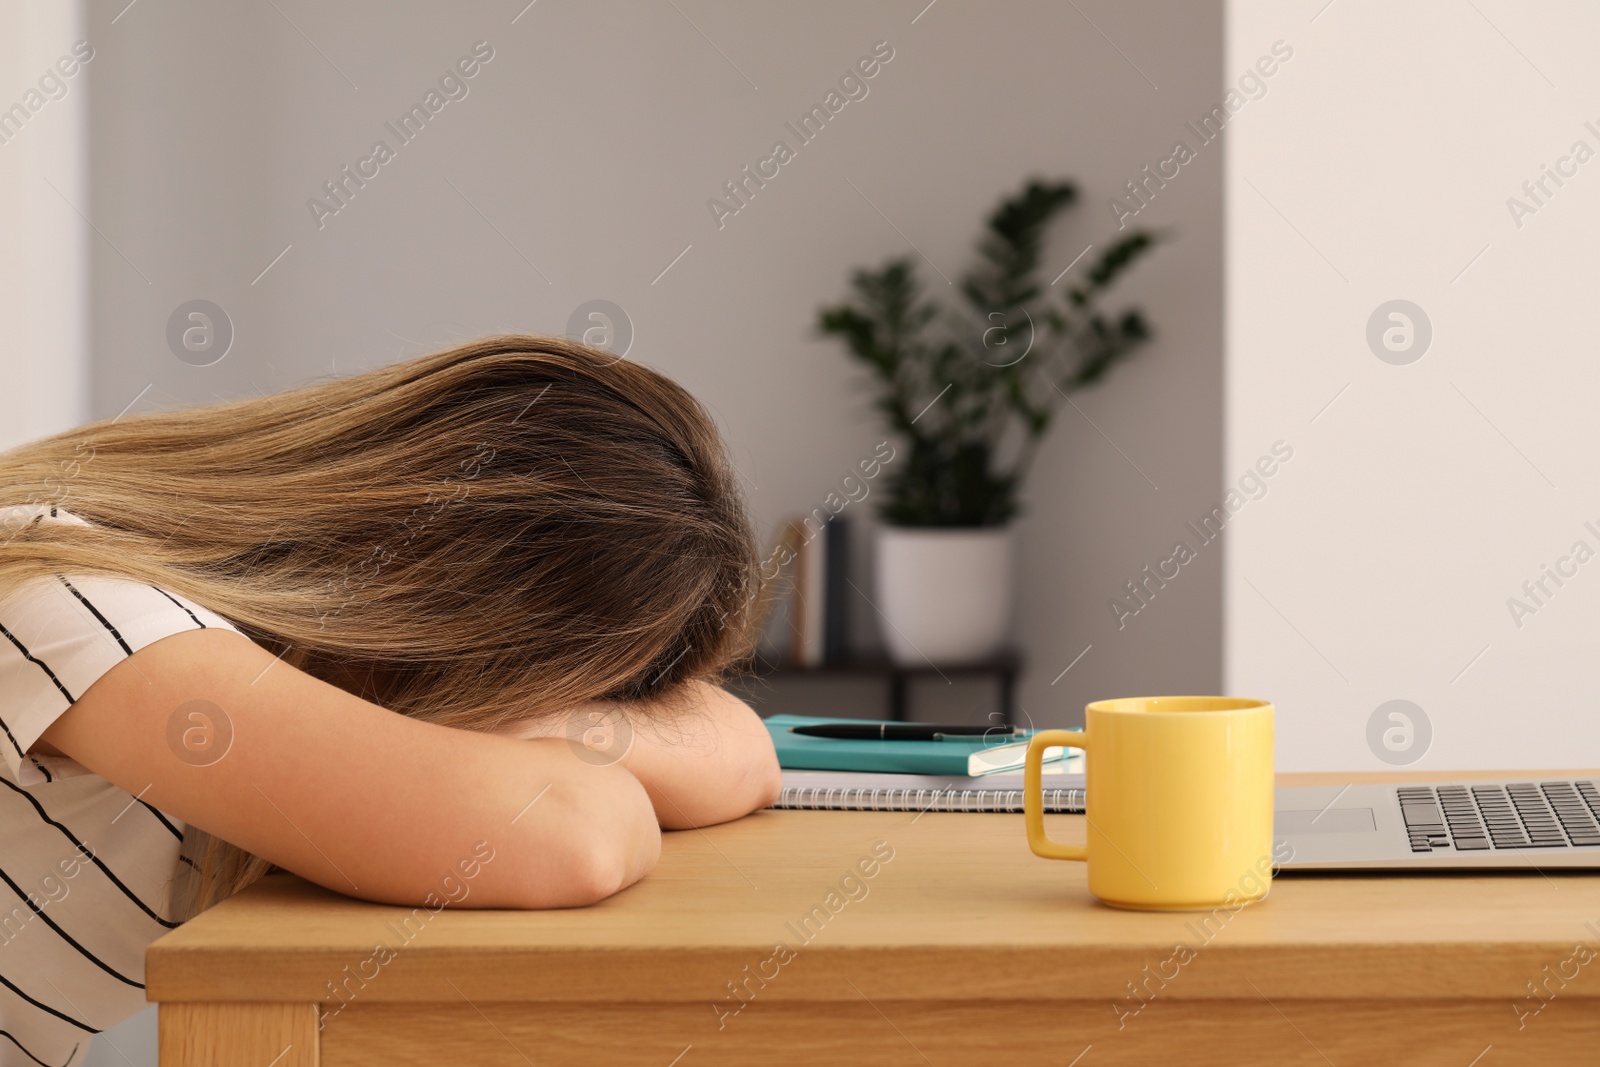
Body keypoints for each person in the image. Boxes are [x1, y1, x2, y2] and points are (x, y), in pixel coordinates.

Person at [0, 335, 780, 1066]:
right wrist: (516, 736)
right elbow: (572, 833)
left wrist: (526, 718)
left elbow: (741, 748)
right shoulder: (72, 603)